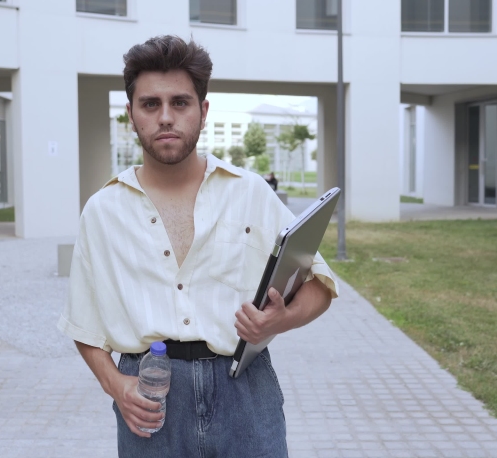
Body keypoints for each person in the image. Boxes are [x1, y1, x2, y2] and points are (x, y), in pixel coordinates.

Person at [57, 35, 339, 458]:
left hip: (244, 391)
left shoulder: (252, 193)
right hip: (151, 399)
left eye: (180, 103)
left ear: (203, 111)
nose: (166, 117)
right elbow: (83, 324)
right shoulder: (103, 210)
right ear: (131, 114)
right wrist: (115, 386)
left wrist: (280, 320)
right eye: (150, 104)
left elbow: (319, 283)